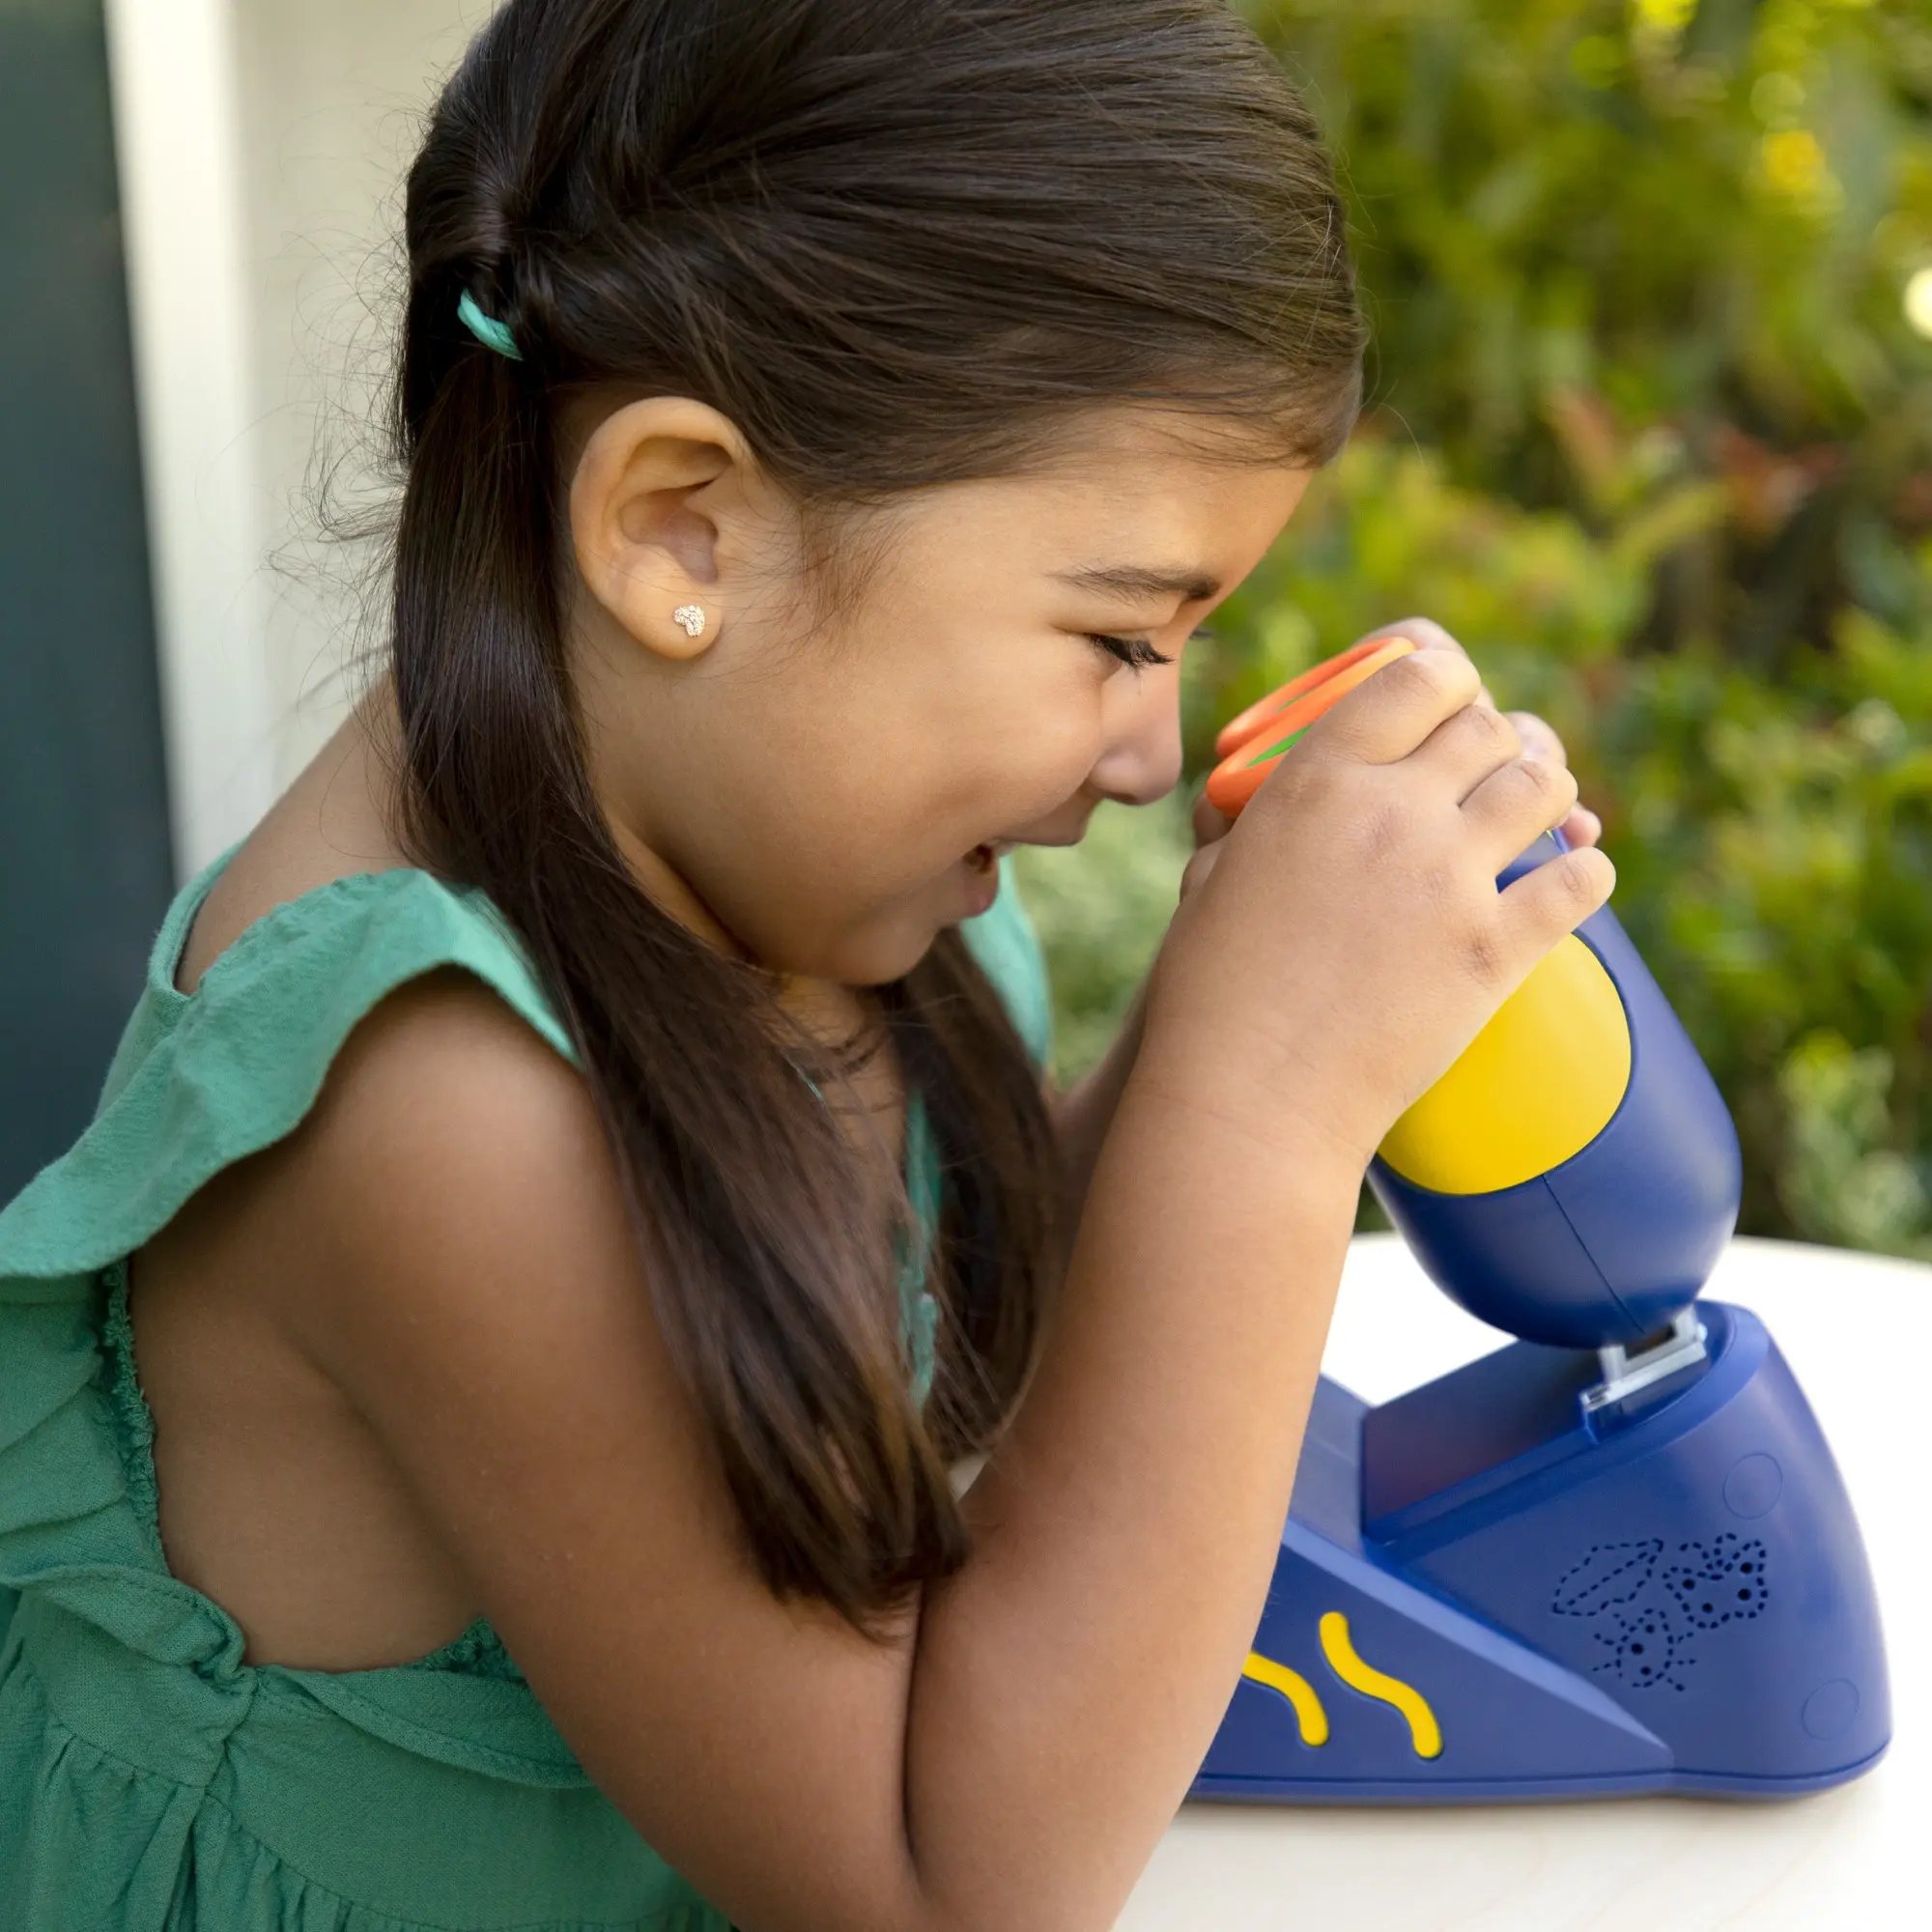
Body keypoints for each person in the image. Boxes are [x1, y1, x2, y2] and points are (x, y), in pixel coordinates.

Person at [0, 1, 1611, 1926]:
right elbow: (936, 1887)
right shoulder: (434, 1106)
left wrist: (1244, 984)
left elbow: (954, 1369)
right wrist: (1262, 1109)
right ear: (682, 531)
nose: (1149, 750)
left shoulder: (769, 832)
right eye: (1118, 634)